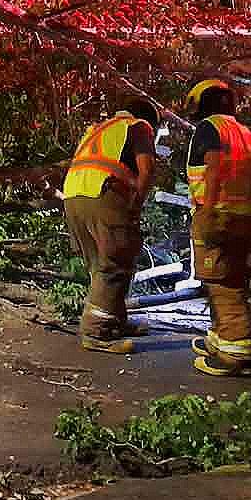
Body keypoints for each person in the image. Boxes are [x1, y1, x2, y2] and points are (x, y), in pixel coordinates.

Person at [61, 98, 159, 354]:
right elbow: (146, 171)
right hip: (104, 194)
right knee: (116, 261)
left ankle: (113, 320)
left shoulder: (99, 129)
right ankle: (97, 332)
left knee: (99, 264)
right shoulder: (139, 126)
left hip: (73, 197)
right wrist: (135, 204)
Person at [184, 79, 251, 376]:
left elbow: (214, 168)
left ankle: (235, 348)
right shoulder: (241, 131)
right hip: (241, 215)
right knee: (232, 276)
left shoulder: (209, 128)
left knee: (219, 280)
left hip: (218, 214)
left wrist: (208, 211)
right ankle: (221, 334)